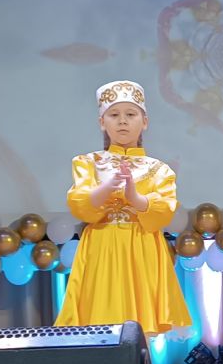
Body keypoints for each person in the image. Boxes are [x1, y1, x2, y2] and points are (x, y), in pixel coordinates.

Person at [55, 80, 193, 333]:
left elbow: (164, 209)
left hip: (141, 245)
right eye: (114, 115)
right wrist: (107, 188)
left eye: (131, 114)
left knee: (142, 326)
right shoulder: (88, 162)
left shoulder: (159, 169)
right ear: (102, 122)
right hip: (102, 244)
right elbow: (79, 203)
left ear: (145, 121)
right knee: (99, 323)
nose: (122, 121)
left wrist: (135, 197)